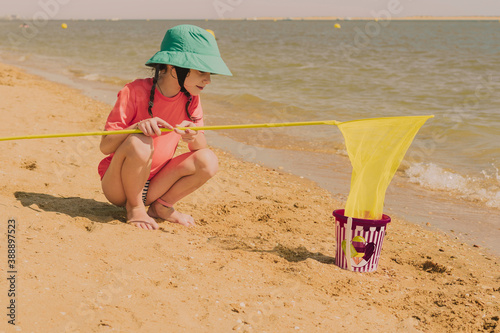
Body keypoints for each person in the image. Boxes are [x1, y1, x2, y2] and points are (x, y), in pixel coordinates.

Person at [98, 24, 232, 230]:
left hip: (155, 185)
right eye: (201, 71)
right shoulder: (133, 91)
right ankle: (135, 208)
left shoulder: (191, 98)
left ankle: (161, 207)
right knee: (140, 140)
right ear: (172, 68)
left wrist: (192, 135)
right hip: (119, 186)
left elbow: (199, 149)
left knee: (208, 159)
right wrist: (136, 127)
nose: (208, 80)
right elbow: (106, 146)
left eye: (210, 73)